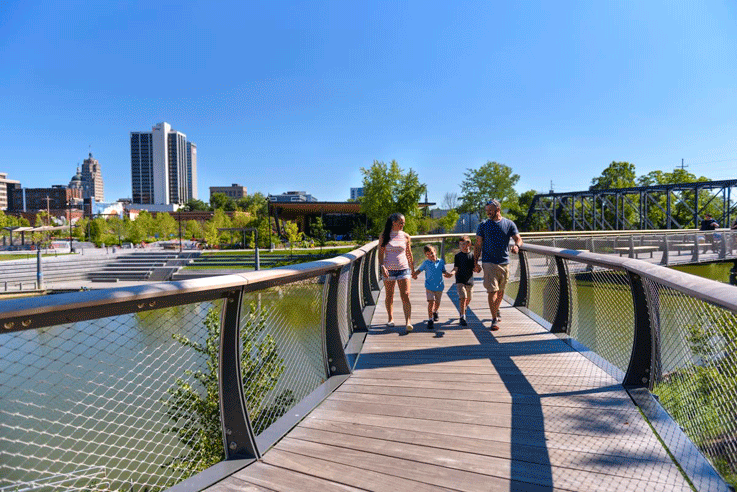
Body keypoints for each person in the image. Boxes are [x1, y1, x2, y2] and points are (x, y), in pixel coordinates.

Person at [474, 199, 523, 331]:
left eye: (490, 210)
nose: (488, 213)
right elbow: (478, 245)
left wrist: (517, 247)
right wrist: (475, 262)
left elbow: (518, 239)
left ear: (498, 210)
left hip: (504, 262)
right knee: (492, 291)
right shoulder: (483, 225)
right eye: (487, 211)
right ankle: (494, 318)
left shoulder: (509, 224)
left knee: (501, 291)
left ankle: (496, 309)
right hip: (489, 262)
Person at [378, 213, 414, 333]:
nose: (403, 224)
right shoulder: (384, 236)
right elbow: (380, 253)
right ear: (394, 222)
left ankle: (408, 322)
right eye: (401, 222)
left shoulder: (406, 236)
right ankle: (390, 318)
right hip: (389, 270)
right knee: (390, 295)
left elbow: (408, 253)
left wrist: (412, 268)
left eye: (403, 222)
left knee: (406, 294)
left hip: (403, 269)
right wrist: (382, 266)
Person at [413, 244, 452, 329]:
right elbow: (419, 270)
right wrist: (415, 274)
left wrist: (448, 274)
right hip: (429, 286)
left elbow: (444, 271)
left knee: (437, 302)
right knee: (431, 302)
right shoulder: (426, 263)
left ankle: (435, 311)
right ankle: (430, 320)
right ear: (426, 255)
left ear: (435, 251)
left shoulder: (441, 261)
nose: (430, 255)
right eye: (427, 254)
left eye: (431, 253)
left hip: (439, 286)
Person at [448, 236, 475, 326]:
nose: (462, 246)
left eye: (464, 244)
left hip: (469, 280)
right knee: (463, 297)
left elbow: (475, 268)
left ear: (469, 245)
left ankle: (464, 308)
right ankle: (462, 317)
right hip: (460, 279)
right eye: (460, 244)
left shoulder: (472, 255)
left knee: (469, 298)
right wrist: (451, 273)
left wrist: (478, 268)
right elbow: (456, 268)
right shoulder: (458, 256)